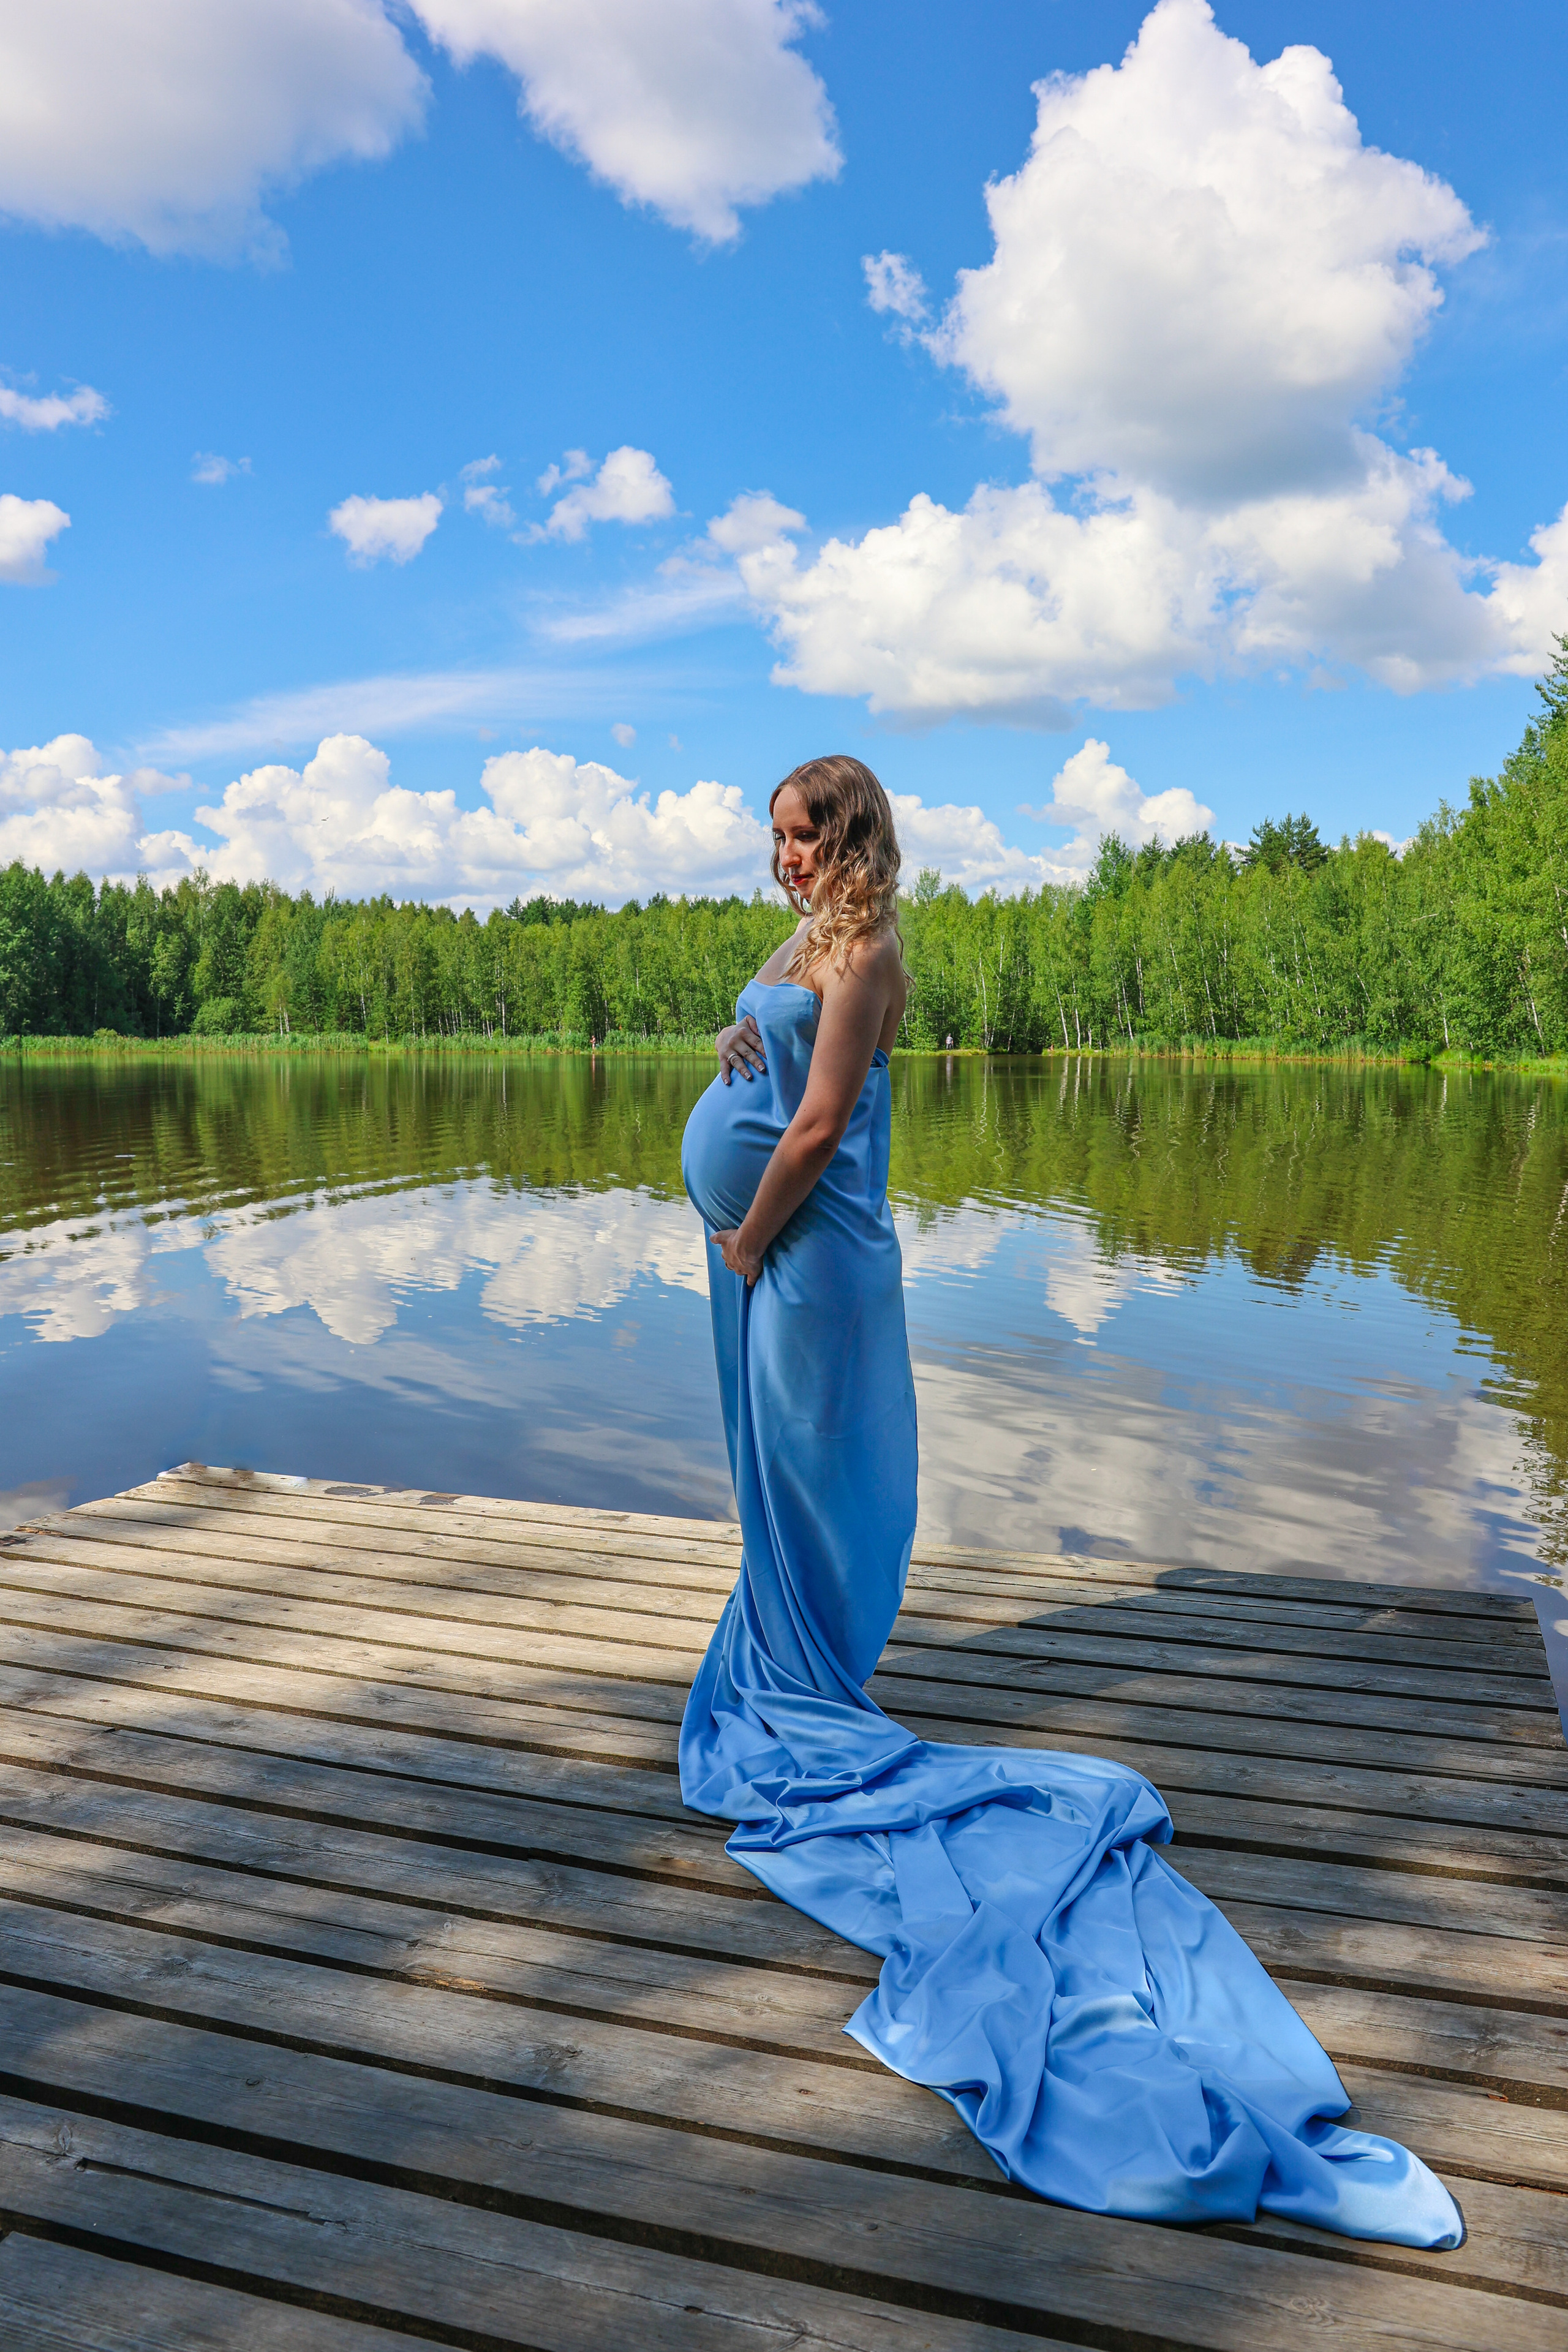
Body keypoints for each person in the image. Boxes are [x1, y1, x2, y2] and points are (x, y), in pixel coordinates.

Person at [679, 754, 1463, 2248]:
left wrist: (742, 1238)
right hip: (769, 1253)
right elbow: (772, 1054)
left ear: (847, 838)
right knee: (772, 1477)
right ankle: (791, 1667)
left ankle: (806, 1686)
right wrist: (737, 1036)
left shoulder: (875, 952)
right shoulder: (806, 940)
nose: (777, 858)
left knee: (814, 1473)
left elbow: (820, 1125)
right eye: (769, 837)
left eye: (797, 837)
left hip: (807, 1254)